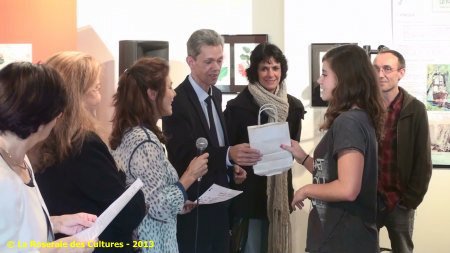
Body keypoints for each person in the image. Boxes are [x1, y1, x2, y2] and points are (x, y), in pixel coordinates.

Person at [30, 51, 146, 253]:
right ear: (76, 89)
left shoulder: (40, 141)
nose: (98, 82)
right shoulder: (83, 144)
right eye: (91, 78)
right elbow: (128, 212)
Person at [162, 29, 262, 253]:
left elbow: (216, 144)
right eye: (208, 61)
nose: (216, 68)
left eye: (219, 60)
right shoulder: (176, 102)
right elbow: (182, 156)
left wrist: (231, 167)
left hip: (221, 206)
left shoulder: (216, 95)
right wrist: (228, 154)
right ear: (191, 61)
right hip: (194, 209)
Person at [281, 44, 385, 253]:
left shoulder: (349, 122)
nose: (320, 80)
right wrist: (302, 157)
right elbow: (331, 173)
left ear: (344, 78)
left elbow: (348, 188)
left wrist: (306, 190)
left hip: (342, 239)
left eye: (325, 74)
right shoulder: (357, 118)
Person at [109, 57, 209, 253]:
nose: (174, 93)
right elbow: (157, 206)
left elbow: (149, 196)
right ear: (152, 93)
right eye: (170, 87)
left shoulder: (130, 133)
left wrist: (179, 202)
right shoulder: (144, 142)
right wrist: (189, 176)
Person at [0, 62, 96, 253]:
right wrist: (59, 250)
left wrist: (56, 223)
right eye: (58, 114)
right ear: (44, 117)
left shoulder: (18, 158)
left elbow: (16, 232)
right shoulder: (3, 178)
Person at [224, 42, 305, 253]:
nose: (270, 74)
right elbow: (228, 151)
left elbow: (292, 152)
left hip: (279, 194)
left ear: (282, 71)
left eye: (275, 68)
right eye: (264, 68)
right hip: (248, 194)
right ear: (255, 71)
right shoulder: (237, 107)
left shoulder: (294, 107)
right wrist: (235, 166)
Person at [373, 49, 432, 252]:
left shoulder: (415, 110)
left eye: (387, 69)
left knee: (403, 250)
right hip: (368, 200)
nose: (380, 74)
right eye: (376, 69)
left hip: (400, 201)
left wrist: (410, 200)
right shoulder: (364, 108)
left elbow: (422, 160)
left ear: (401, 73)